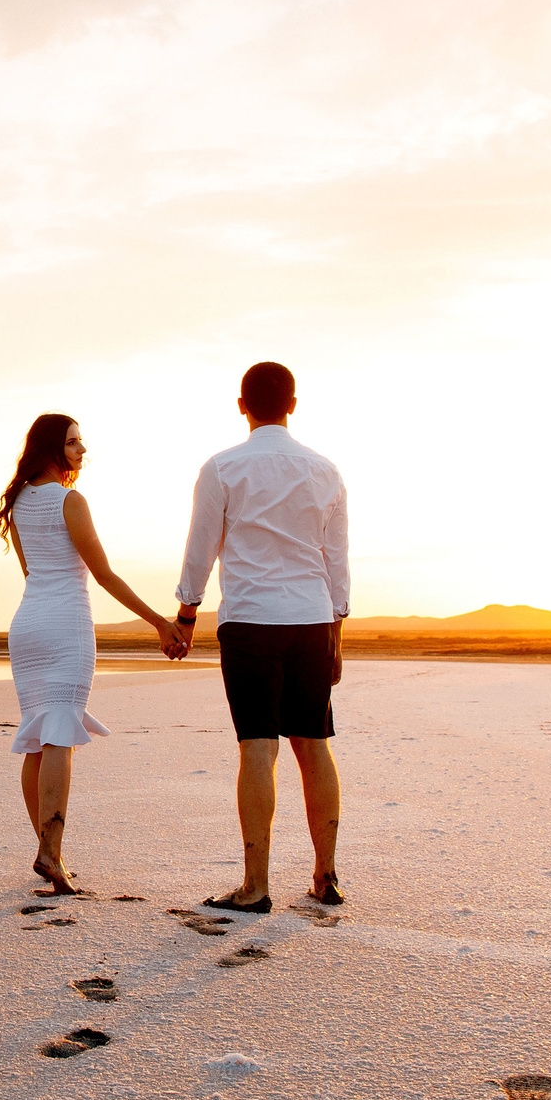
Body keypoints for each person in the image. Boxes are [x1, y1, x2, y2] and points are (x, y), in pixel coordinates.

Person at [172, 362, 350, 915]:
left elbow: (202, 544)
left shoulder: (223, 467)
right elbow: (336, 558)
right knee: (313, 743)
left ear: (241, 404)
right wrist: (336, 628)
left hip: (251, 620)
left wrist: (186, 614)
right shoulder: (324, 470)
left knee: (258, 746)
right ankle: (325, 876)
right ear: (292, 403)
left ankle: (256, 885)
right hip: (311, 618)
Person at [0, 413, 187, 896]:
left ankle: (48, 848)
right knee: (59, 732)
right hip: (66, 626)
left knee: (40, 734)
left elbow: (31, 572)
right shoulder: (71, 501)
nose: (82, 451)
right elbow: (102, 575)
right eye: (74, 443)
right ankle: (50, 853)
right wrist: (161, 622)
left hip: (28, 625)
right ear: (50, 449)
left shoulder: (17, 503)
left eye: (81, 442)